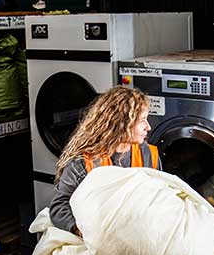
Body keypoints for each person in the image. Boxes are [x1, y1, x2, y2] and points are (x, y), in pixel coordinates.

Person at [49, 85, 161, 236]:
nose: (148, 127)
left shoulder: (149, 154)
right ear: (121, 123)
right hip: (98, 233)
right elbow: (59, 207)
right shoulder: (84, 162)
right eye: (142, 120)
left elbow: (160, 197)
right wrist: (79, 229)